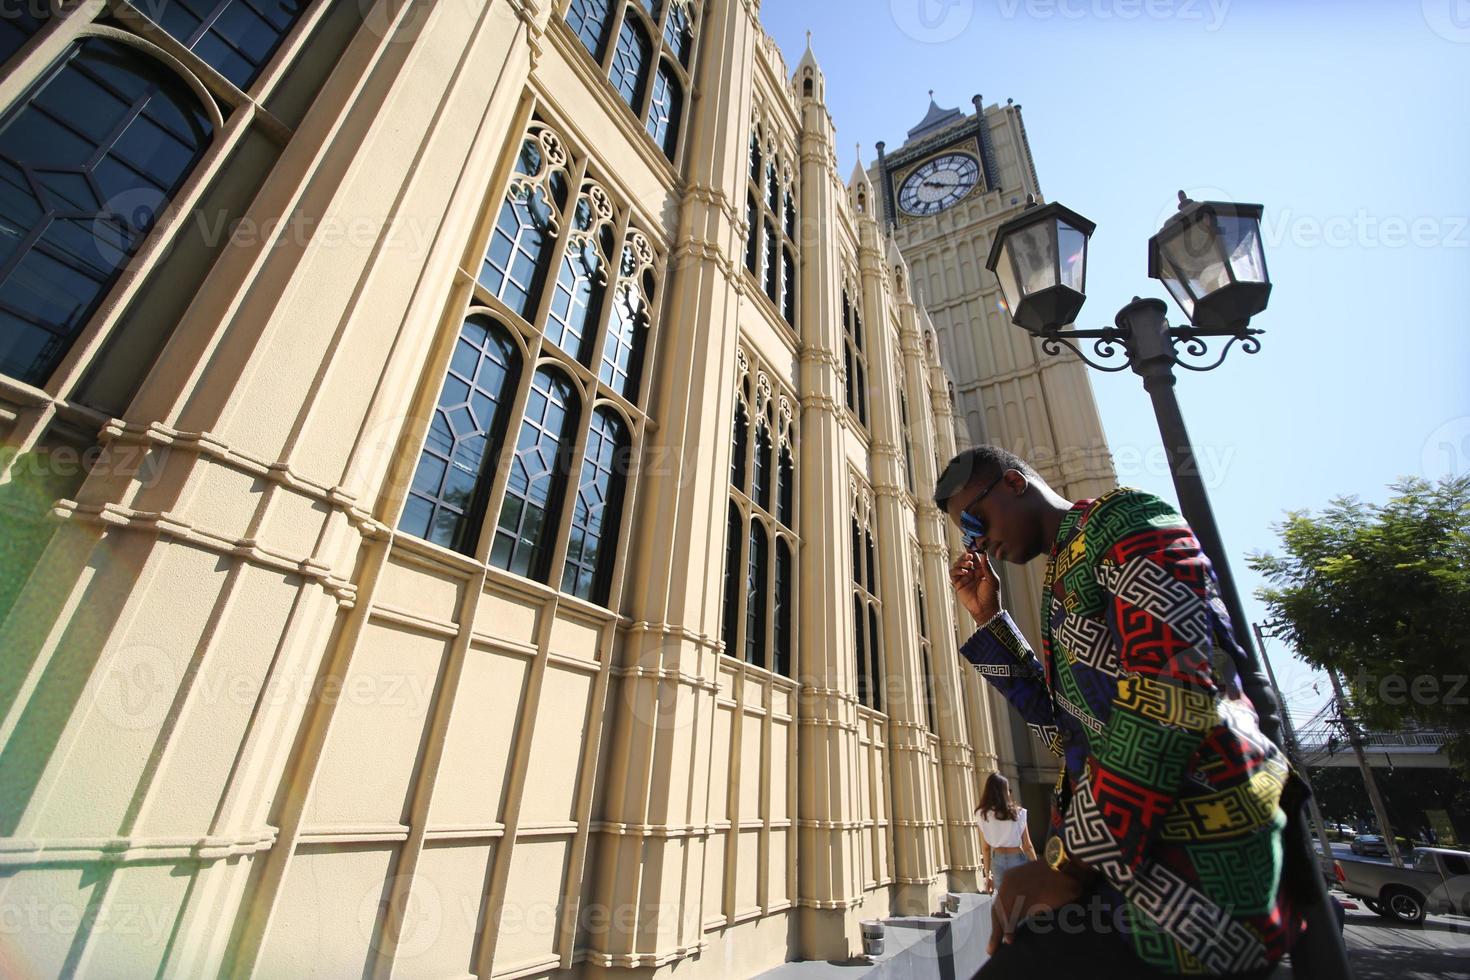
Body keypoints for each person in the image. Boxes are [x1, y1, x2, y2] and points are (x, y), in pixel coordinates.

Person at [936, 446, 1301, 979]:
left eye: (976, 520)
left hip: (1190, 879)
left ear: (1015, 484)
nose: (977, 541)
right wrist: (990, 619)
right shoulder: (1061, 572)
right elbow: (1069, 734)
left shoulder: (1126, 519)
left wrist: (1071, 865)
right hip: (1120, 875)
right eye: (965, 534)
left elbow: (1174, 692)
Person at [976, 772, 1036, 894]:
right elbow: (1027, 846)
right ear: (1005, 792)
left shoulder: (982, 814)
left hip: (997, 860)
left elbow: (986, 848)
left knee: (1005, 900)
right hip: (1017, 858)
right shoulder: (1019, 813)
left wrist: (987, 875)